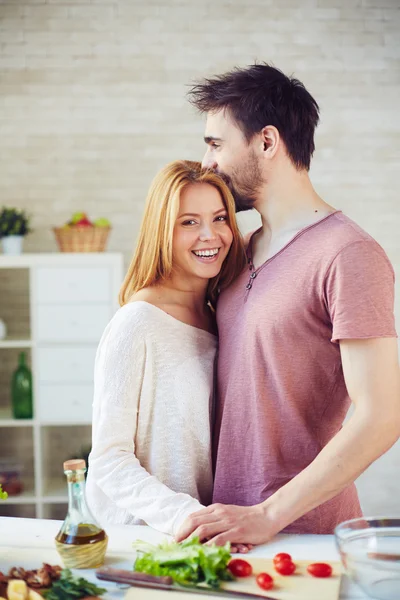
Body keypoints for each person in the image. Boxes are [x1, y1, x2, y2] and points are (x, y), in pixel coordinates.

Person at [176, 63, 400, 546]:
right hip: (225, 526)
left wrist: (268, 515)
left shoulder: (349, 255)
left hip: (301, 536)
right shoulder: (238, 251)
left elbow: (382, 416)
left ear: (267, 141)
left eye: (216, 143)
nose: (206, 162)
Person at [86, 160, 246, 537]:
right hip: (147, 536)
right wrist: (183, 516)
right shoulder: (136, 323)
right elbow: (108, 459)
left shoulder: (218, 315)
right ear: (162, 231)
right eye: (189, 222)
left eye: (220, 218)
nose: (210, 235)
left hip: (208, 534)